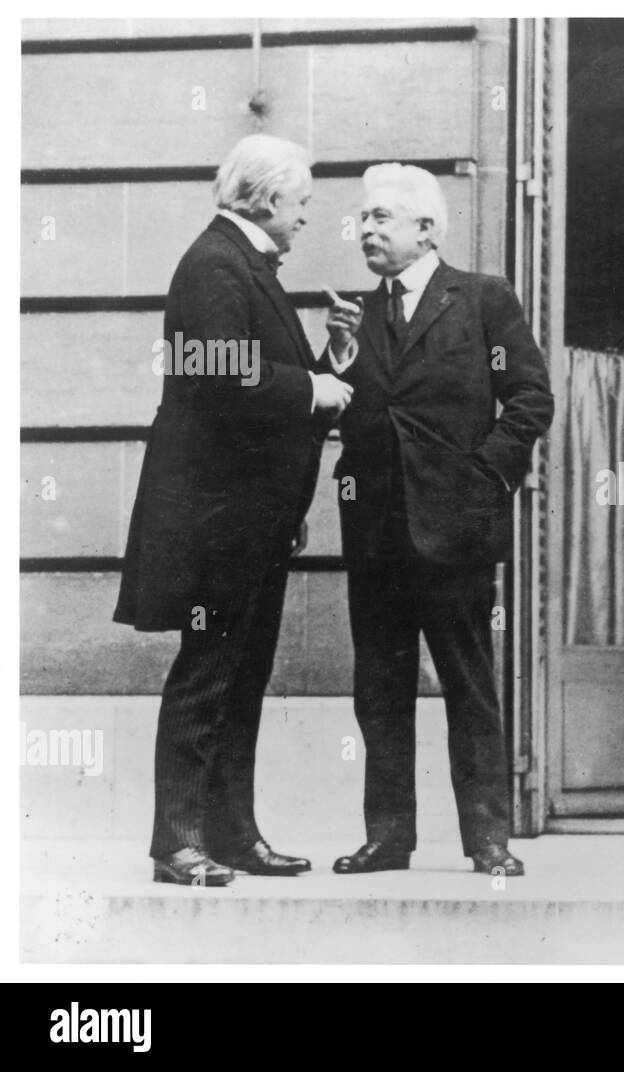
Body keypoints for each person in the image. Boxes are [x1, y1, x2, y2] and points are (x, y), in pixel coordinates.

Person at [115, 134, 354, 886]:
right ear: (268, 198)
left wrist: (330, 362)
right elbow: (218, 378)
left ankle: (230, 835)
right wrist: (313, 389)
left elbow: (257, 385)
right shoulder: (216, 264)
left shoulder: (239, 264)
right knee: (209, 674)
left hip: (247, 519)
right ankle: (177, 844)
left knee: (240, 676)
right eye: (303, 202)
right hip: (218, 523)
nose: (307, 218)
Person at [323, 164, 553, 878]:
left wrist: (483, 479)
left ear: (425, 229)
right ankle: (389, 837)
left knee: (469, 685)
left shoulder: (482, 298)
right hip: (377, 534)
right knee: (379, 690)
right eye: (363, 218)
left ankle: (488, 839)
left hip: (455, 533)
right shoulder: (355, 315)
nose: (366, 228)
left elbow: (529, 398)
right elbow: (343, 411)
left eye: (381, 217)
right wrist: (335, 358)